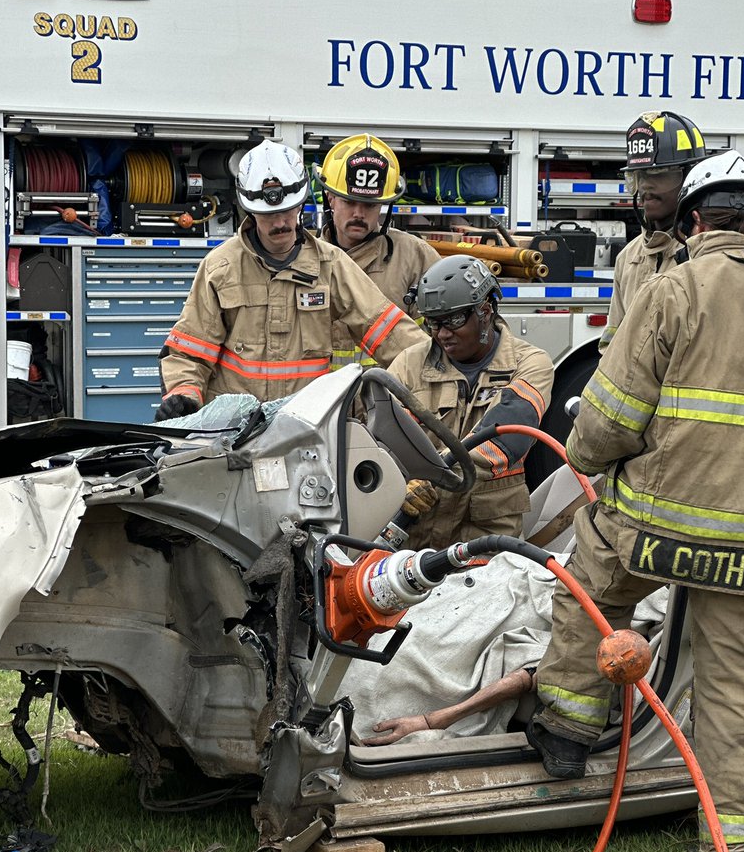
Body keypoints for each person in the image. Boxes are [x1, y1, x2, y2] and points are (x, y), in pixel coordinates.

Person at [526, 150, 744, 852]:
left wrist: (587, 453)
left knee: (594, 583)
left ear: (697, 220)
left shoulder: (675, 290)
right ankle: (732, 850)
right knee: (735, 681)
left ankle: (570, 730)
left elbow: (608, 421)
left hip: (658, 529)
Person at [156, 140, 427, 419]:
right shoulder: (221, 267)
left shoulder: (330, 266)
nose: (280, 223)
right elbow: (188, 353)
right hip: (232, 433)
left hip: (306, 430)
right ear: (250, 209)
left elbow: (390, 334)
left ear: (299, 204)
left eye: (287, 210)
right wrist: (184, 395)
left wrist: (441, 371)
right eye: (269, 214)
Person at [386, 256, 553, 550]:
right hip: (415, 535)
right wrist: (395, 483)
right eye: (434, 323)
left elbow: (504, 438)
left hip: (486, 536)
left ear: (485, 311)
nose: (443, 334)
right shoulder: (409, 365)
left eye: (453, 320)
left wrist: (435, 477)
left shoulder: (530, 364)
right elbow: (383, 439)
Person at [315, 133, 439, 370]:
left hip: (388, 400)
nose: (359, 213)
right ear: (330, 199)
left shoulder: (415, 257)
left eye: (370, 205)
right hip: (321, 403)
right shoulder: (306, 260)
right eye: (349, 202)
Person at [598, 110, 707, 350]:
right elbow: (612, 343)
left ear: (690, 178)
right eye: (640, 176)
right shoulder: (628, 257)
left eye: (659, 174)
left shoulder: (706, 254)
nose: (646, 185)